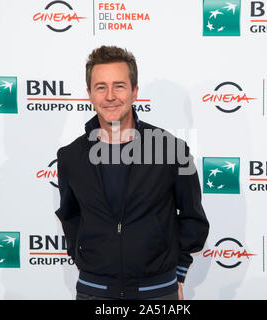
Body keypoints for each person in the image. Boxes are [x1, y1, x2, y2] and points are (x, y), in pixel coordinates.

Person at [55, 45, 209, 300]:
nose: (110, 96)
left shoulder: (171, 149)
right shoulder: (70, 156)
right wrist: (84, 257)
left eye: (119, 86)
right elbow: (70, 215)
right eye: (101, 87)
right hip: (94, 292)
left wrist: (178, 271)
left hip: (157, 292)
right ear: (89, 95)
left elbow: (193, 217)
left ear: (135, 91)